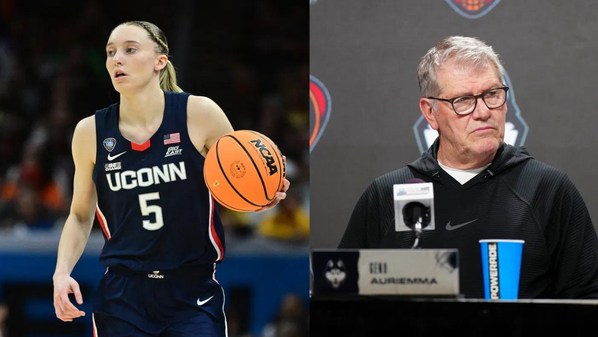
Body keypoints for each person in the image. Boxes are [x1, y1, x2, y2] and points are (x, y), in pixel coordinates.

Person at [52, 21, 290, 336]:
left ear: (159, 61)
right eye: (111, 52)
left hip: (192, 290)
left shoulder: (200, 114)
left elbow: (241, 178)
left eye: (129, 49)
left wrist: (266, 190)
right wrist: (61, 272)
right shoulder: (89, 133)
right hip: (123, 294)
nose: (116, 59)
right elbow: (81, 215)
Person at [339, 36, 598, 299]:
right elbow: (340, 296)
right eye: (463, 100)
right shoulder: (387, 195)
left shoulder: (548, 190)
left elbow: (587, 300)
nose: (483, 111)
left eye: (492, 94)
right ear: (430, 112)